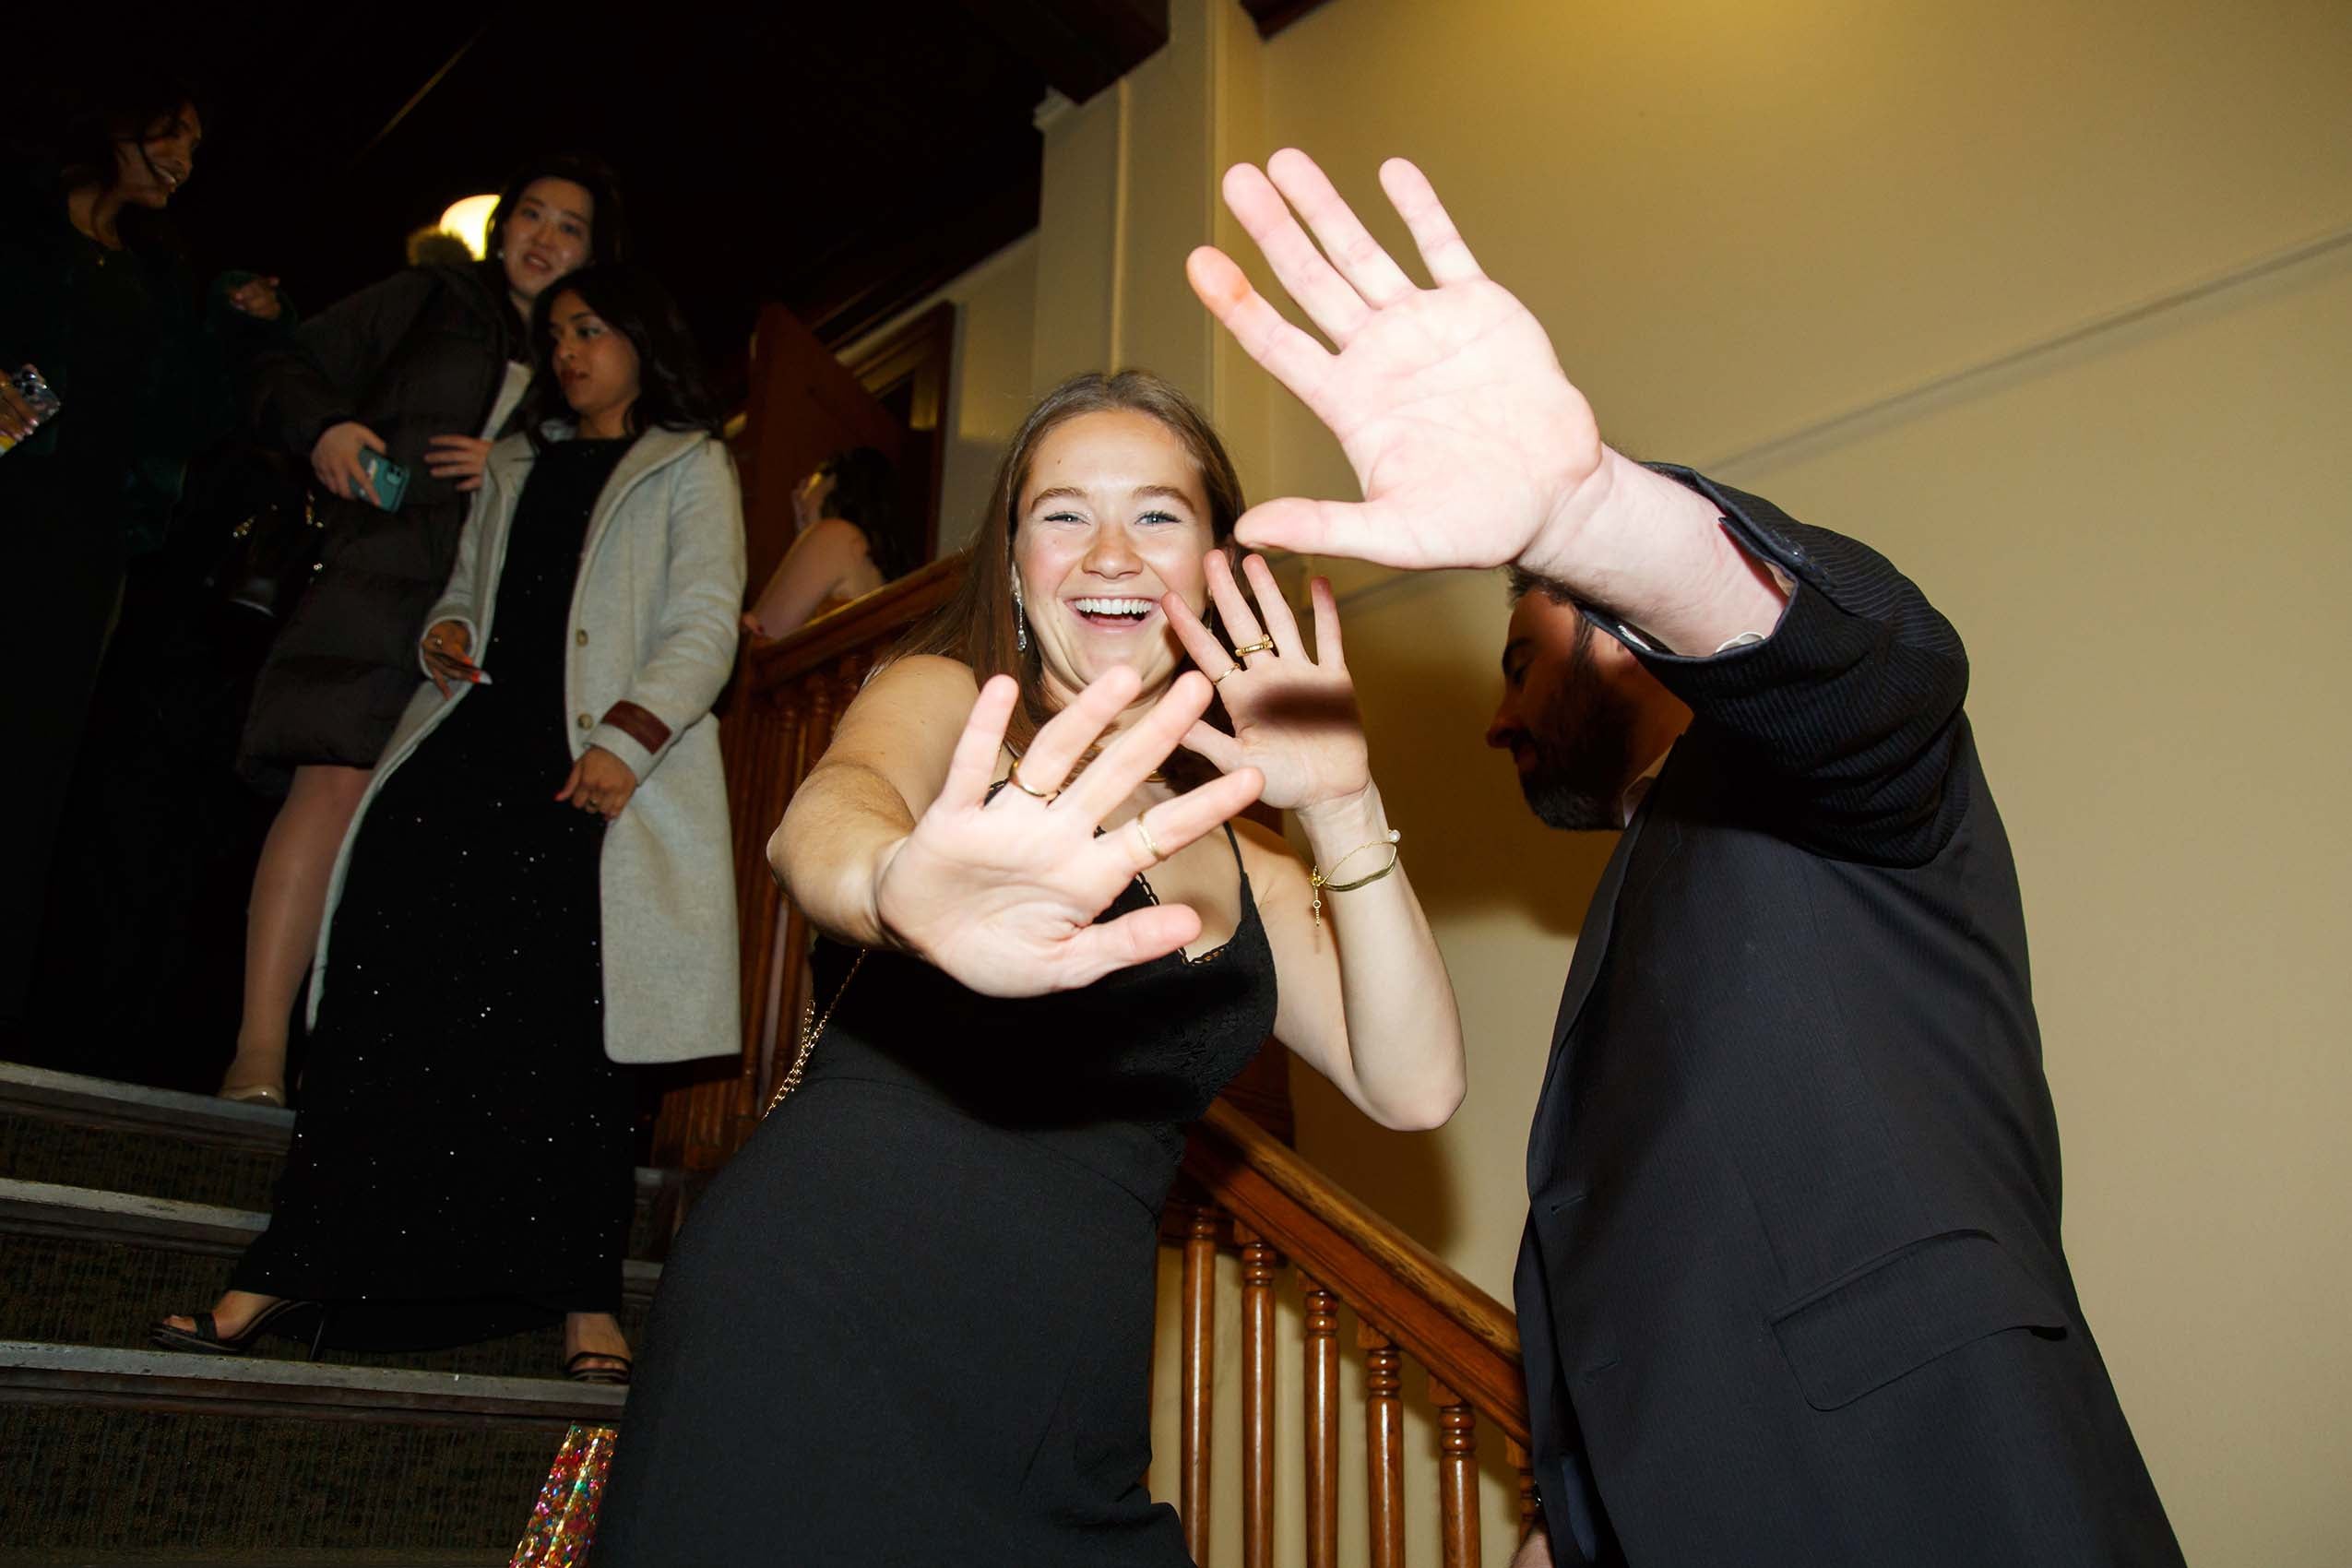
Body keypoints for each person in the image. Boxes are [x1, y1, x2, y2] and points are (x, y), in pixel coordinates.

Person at [1188, 150, 2183, 1566]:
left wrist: (1590, 517)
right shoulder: (1647, 876)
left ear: (1604, 621)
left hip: (1924, 1492)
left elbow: (1880, 676)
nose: (1492, 718)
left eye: (1514, 655)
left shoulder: (1823, 777)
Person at [591, 369, 1466, 1564]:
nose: (1110, 551)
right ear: (1011, 562)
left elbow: (1411, 1086)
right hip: (819, 1313)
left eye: (1157, 514)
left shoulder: (1251, 865)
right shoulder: (955, 702)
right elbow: (824, 818)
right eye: (1063, 514)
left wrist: (1344, 803)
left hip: (1063, 1410)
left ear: (1214, 560)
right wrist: (895, 890)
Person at [153, 264, 744, 1383]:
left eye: (591, 327)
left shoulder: (691, 461)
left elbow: (705, 618)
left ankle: (583, 1298)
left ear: (642, 337)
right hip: (466, 749)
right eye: (557, 332)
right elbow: (463, 590)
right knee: (383, 995)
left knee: (573, 1033)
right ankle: (289, 1261)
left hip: (592, 766)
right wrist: (449, 631)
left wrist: (624, 736)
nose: (569, 349)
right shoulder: (515, 461)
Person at [221, 154, 626, 1106]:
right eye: (531, 214)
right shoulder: (432, 295)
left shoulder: (598, 358)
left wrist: (526, 464)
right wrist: (328, 426)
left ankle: (373, 1081)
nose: (544, 236)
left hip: (498, 613)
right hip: (380, 579)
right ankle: (258, 1054)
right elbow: (287, 358)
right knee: (329, 786)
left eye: (569, 226)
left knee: (435, 839)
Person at [0, 74, 286, 1042]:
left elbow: (188, 418)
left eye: (199, 148)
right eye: (174, 135)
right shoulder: (18, 229)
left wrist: (235, 328)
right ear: (117, 121)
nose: (185, 161)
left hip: (76, 554)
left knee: (29, 770)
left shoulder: (157, 274)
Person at [739, 445, 910, 639]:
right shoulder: (867, 561)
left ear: (833, 481)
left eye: (811, 481)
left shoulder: (837, 535)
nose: (801, 492)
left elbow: (759, 640)